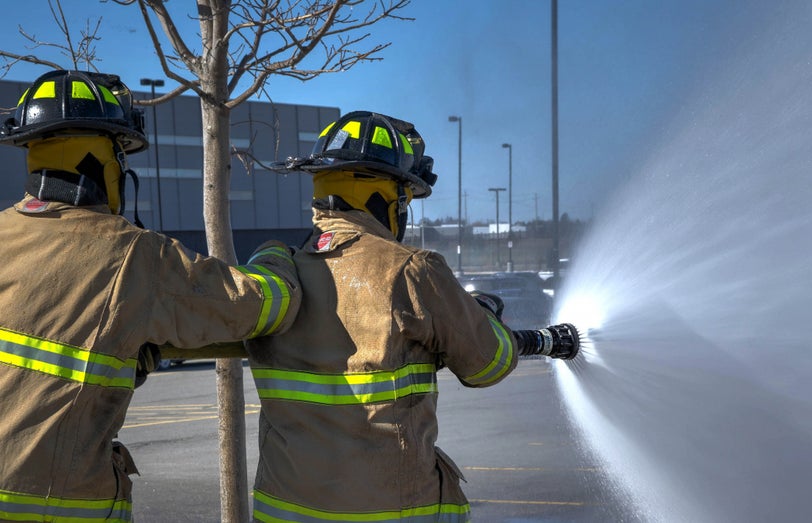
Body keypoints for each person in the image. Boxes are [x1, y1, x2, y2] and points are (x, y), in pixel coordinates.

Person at [0, 70, 301, 522]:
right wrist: (278, 257)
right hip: (61, 507)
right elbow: (255, 305)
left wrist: (114, 358)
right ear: (107, 160)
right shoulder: (133, 254)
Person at [245, 110, 519, 522]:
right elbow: (489, 364)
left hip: (285, 510)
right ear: (386, 198)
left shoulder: (278, 274)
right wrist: (482, 319)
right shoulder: (411, 270)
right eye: (403, 198)